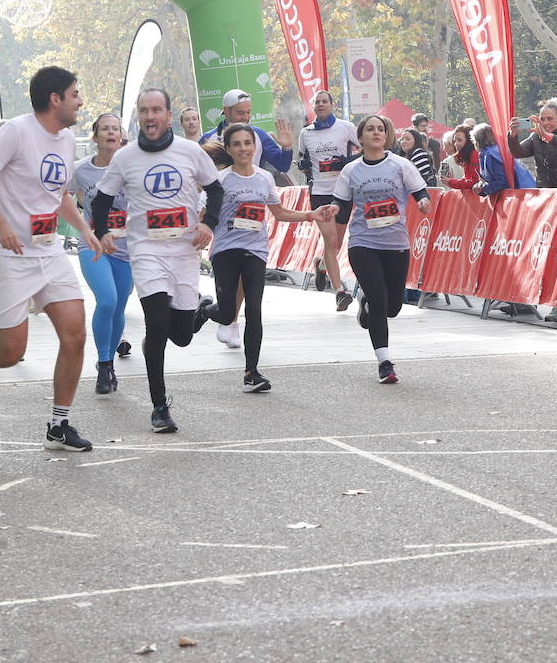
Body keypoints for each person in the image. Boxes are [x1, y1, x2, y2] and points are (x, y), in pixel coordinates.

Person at [0, 67, 101, 455]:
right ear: (55, 99)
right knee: (11, 352)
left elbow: (58, 194)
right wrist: (1, 224)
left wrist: (84, 228)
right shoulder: (15, 131)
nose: (81, 101)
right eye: (75, 94)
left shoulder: (65, 140)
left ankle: (59, 426)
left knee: (75, 334)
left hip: (48, 251)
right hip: (7, 255)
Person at [91, 87, 224, 433]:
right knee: (156, 325)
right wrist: (103, 231)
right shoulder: (125, 157)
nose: (150, 117)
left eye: (157, 110)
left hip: (183, 253)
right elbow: (101, 201)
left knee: (180, 336)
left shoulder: (190, 151)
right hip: (146, 251)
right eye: (144, 111)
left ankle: (195, 313)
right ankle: (159, 407)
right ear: (139, 116)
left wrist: (208, 224)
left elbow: (217, 189)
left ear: (168, 115)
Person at [197, 123, 335, 392]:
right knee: (227, 313)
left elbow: (280, 213)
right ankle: (204, 310)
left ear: (255, 146)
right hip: (225, 251)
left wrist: (311, 215)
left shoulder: (264, 178)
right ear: (228, 149)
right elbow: (203, 216)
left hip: (255, 252)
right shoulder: (220, 180)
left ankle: (252, 373)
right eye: (236, 144)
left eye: (247, 143)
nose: (243, 149)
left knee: (254, 311)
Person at [332, 114, 432, 384]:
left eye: (381, 129)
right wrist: (333, 213)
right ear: (360, 137)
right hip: (363, 243)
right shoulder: (351, 171)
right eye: (370, 129)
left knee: (392, 308)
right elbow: (341, 208)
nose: (376, 133)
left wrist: (423, 202)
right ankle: (385, 363)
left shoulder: (400, 165)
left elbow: (421, 192)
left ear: (386, 136)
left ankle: (366, 301)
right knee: (379, 300)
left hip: (396, 244)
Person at [70, 113, 133, 395]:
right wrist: (83, 226)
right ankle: (105, 364)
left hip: (126, 247)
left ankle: (108, 361)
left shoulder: (133, 167)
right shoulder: (80, 169)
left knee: (119, 304)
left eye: (115, 128)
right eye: (104, 129)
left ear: (121, 135)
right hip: (93, 245)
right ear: (94, 137)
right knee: (106, 299)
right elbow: (61, 196)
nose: (111, 132)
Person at [293, 89, 359, 310]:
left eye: (324, 102)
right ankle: (340, 291)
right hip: (320, 192)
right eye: (317, 102)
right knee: (330, 240)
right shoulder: (306, 133)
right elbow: (302, 158)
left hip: (342, 192)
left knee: (337, 243)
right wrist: (303, 165)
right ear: (313, 107)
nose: (321, 105)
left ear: (332, 105)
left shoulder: (345, 127)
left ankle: (321, 265)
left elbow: (365, 150)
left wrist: (347, 161)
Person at [199, 88, 295, 176]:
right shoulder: (208, 139)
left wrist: (287, 148)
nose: (246, 117)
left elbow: (283, 166)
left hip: (253, 191)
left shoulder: (260, 135)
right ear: (226, 111)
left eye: (248, 112)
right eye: (240, 113)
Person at [508, 99, 557, 188]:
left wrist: (544, 135)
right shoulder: (535, 136)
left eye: (550, 119)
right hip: (544, 192)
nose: (545, 123)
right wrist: (513, 135)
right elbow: (518, 153)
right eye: (542, 119)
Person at [471, 123, 535, 195]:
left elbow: (502, 182)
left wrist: (483, 189)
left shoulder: (491, 154)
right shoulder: (500, 150)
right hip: (528, 189)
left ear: (477, 142)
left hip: (521, 193)